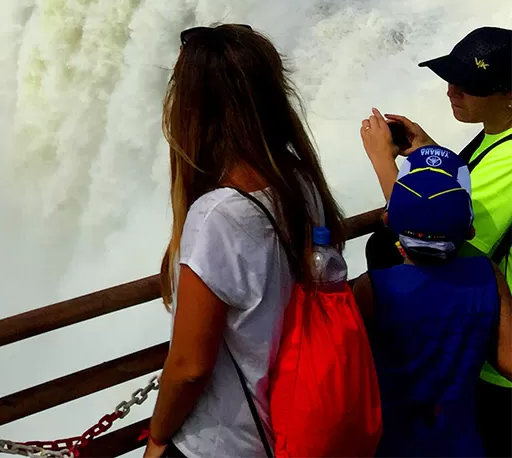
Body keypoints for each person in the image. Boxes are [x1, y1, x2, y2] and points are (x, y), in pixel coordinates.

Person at [144, 24, 347, 458]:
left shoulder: (217, 216)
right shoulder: (300, 182)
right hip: (293, 423)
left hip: (223, 442)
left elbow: (189, 367)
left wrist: (158, 436)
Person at [372, 26, 512, 457]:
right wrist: (424, 153)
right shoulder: (496, 132)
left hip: (495, 363)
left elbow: (436, 232)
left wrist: (383, 166)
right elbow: (460, 197)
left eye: (469, 84)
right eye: (449, 77)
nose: (452, 90)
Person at [352, 165, 512, 457]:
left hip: (390, 446)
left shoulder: (371, 288)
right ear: (470, 230)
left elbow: (352, 375)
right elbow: (509, 362)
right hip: (464, 446)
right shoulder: (487, 275)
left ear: (388, 221)